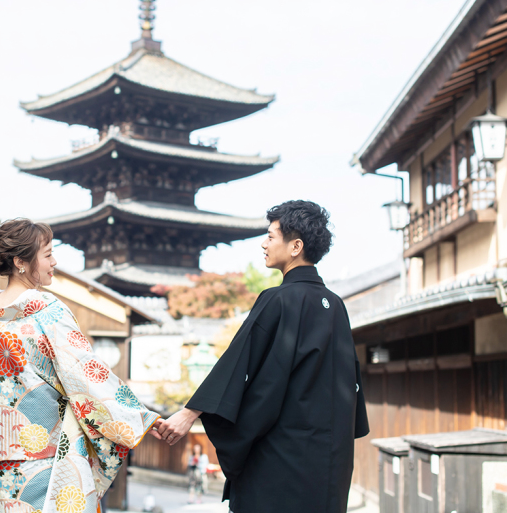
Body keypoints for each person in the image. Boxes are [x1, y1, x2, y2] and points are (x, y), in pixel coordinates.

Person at [155, 200, 369, 513]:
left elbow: (239, 361)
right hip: (329, 463)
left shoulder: (278, 299)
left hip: (280, 463)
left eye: (271, 236)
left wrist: (189, 414)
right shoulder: (335, 305)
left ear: (295, 246)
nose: (263, 243)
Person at [0, 218, 161, 513]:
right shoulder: (47, 313)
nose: (55, 262)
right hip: (39, 469)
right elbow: (86, 375)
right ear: (21, 261)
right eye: (48, 254)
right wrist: (139, 418)